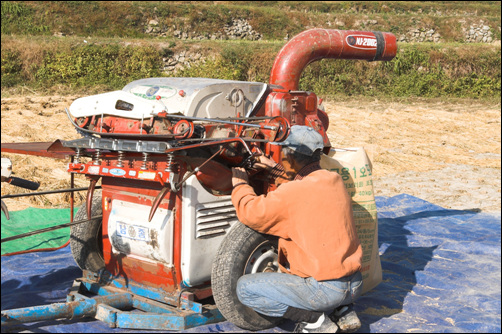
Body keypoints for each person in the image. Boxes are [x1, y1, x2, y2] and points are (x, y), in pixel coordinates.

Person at [231, 125, 363, 333]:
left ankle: (313, 321)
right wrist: (274, 169)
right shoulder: (334, 180)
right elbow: (304, 185)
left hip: (325, 290)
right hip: (354, 284)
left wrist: (240, 185)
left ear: (289, 157)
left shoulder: (293, 193)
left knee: (245, 288)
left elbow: (251, 212)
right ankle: (343, 310)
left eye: (283, 154)